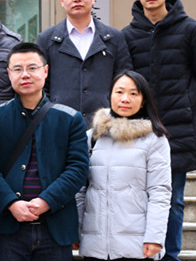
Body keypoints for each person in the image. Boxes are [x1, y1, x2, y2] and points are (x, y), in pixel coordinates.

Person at [122, 0, 196, 261]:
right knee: (138, 199)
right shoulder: (128, 35)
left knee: (173, 199)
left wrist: (188, 107)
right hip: (139, 130)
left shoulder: (190, 29)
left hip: (178, 129)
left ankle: (170, 255)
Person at [0, 42, 88, 261]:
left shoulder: (70, 118)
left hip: (55, 226)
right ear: (9, 74)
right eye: (17, 69)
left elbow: (78, 169)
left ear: (45, 71)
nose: (25, 74)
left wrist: (46, 200)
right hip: (9, 226)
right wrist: (11, 203)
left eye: (32, 68)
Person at [76, 70, 172, 261]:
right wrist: (75, 230)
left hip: (136, 246)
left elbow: (160, 192)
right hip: (95, 245)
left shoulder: (154, 139)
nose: (125, 99)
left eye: (133, 93)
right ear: (110, 95)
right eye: (119, 92)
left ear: (143, 101)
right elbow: (80, 190)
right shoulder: (92, 137)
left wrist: (154, 237)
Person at [37, 0, 132, 123]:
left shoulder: (114, 38)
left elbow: (125, 81)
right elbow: (40, 85)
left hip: (105, 124)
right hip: (60, 123)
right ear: (62, 0)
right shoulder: (46, 39)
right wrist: (50, 114)